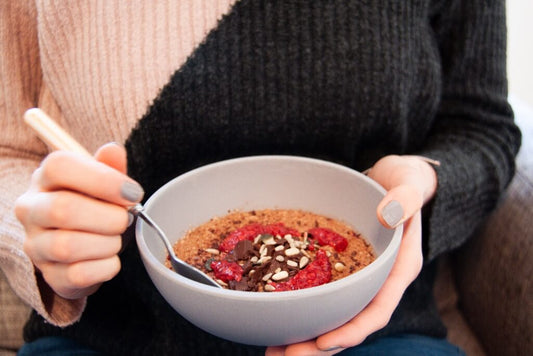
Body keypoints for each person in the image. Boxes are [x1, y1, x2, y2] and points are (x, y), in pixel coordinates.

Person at [0, 1, 521, 355]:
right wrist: (47, 237)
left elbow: (482, 127)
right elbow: (10, 149)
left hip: (375, 328)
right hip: (116, 332)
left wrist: (422, 187)